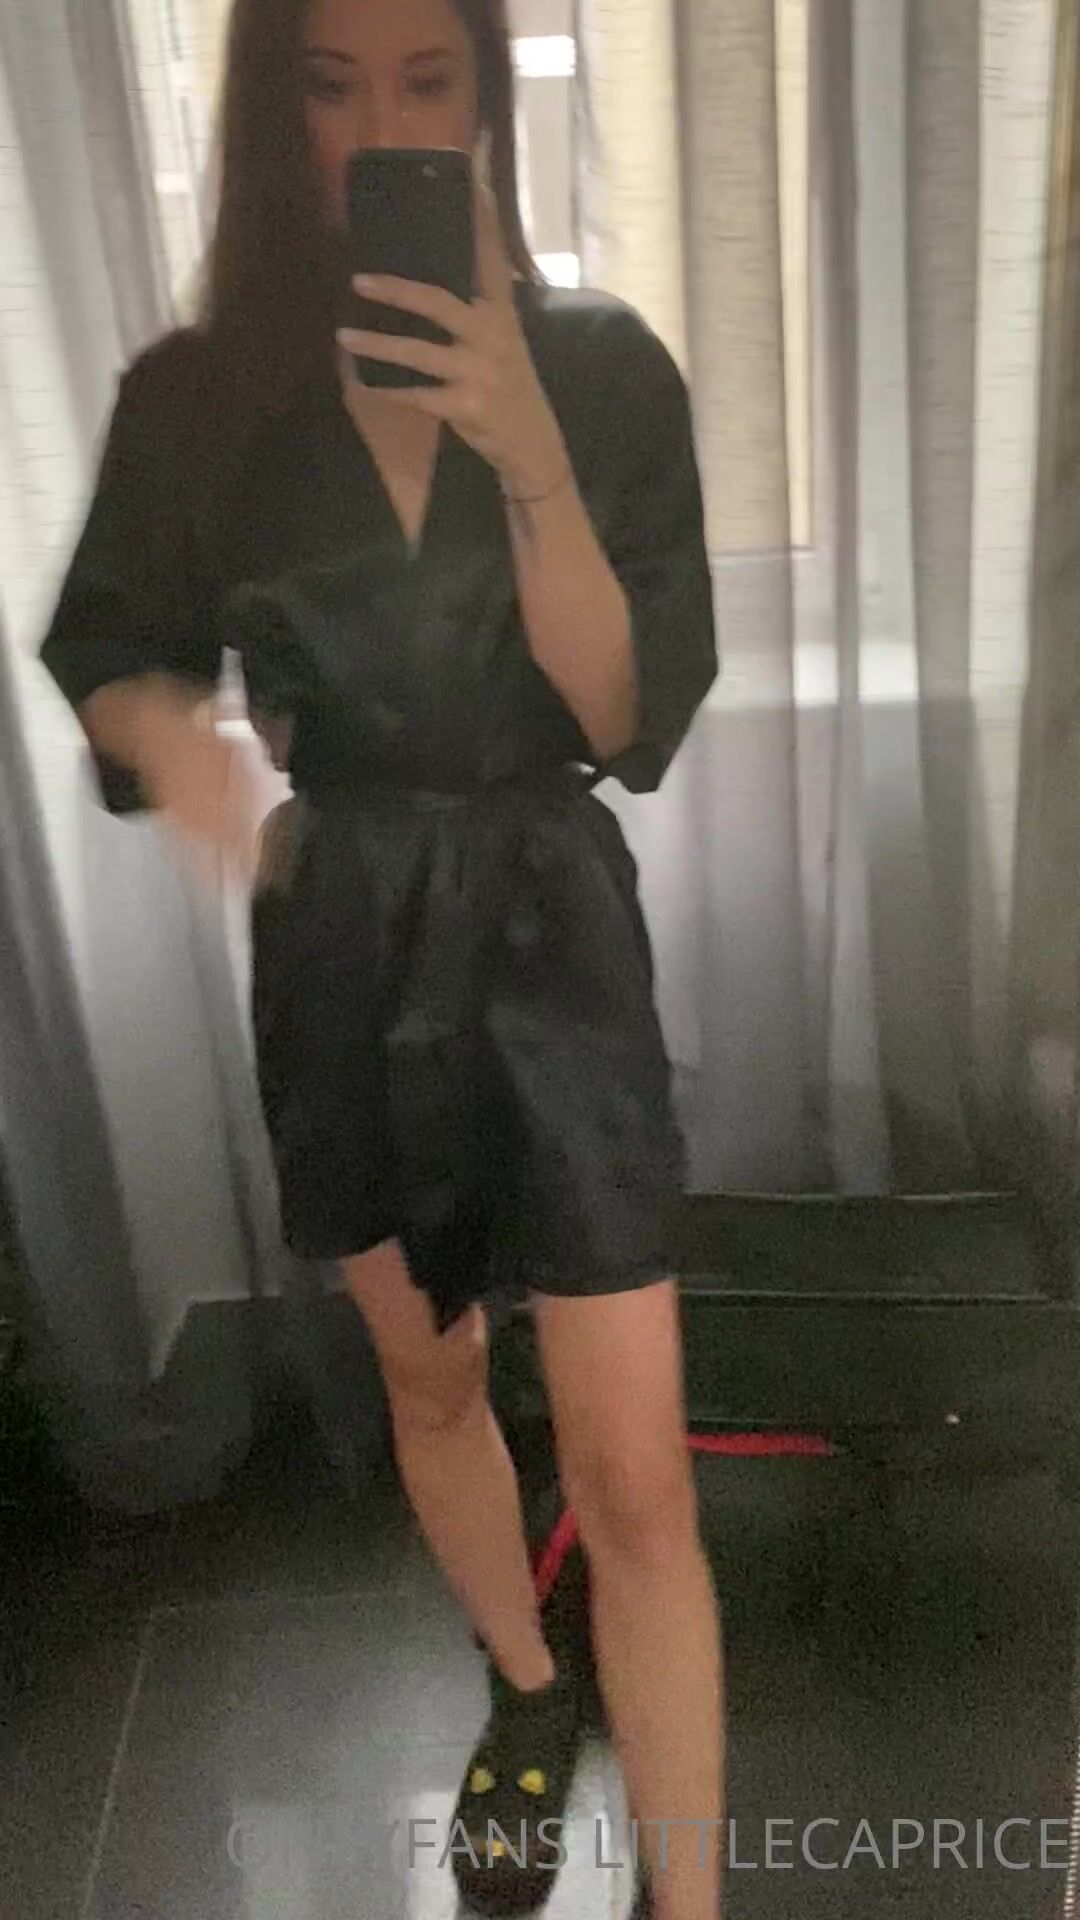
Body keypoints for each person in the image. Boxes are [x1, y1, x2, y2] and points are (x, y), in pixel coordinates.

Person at [39, 1, 724, 1914]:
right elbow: (109, 646)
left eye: (427, 81)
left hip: (550, 924)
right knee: (433, 1383)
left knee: (641, 1474)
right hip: (342, 935)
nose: (376, 131)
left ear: (487, 104)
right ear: (277, 117)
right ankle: (526, 1683)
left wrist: (529, 455)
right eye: (330, 87)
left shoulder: (602, 369)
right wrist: (201, 772)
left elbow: (626, 715)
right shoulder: (196, 395)